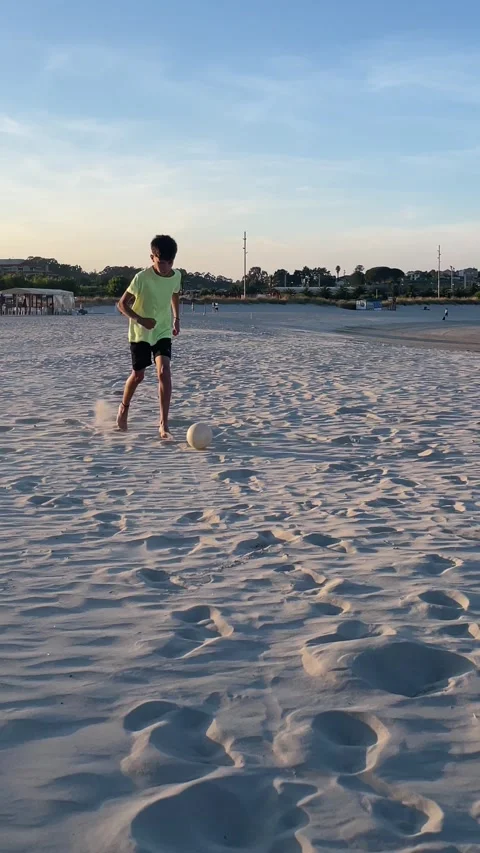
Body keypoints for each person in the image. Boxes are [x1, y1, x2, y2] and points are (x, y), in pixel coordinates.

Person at [116, 235, 181, 438]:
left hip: (161, 330)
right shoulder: (141, 278)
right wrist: (141, 320)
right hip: (140, 333)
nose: (165, 267)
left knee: (164, 372)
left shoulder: (176, 275)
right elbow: (121, 305)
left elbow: (174, 293)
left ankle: (163, 423)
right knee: (138, 376)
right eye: (161, 262)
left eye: (170, 263)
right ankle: (124, 407)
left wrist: (176, 317)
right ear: (152, 257)